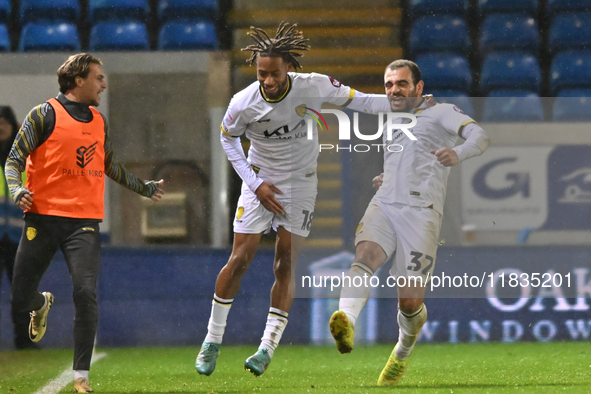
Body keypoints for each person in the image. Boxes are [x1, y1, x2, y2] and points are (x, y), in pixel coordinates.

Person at [195, 22, 393, 377]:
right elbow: (227, 139)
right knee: (240, 258)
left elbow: (360, 100)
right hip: (260, 183)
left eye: (273, 73)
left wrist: (404, 102)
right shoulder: (243, 103)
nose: (267, 81)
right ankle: (212, 340)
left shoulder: (314, 85)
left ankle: (266, 348)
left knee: (285, 262)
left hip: (301, 186)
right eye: (261, 74)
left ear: (288, 66)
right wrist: (255, 184)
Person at [6, 53, 165, 393]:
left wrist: (143, 187)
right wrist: (16, 186)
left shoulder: (98, 120)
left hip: (84, 222)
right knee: (20, 296)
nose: (104, 84)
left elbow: (109, 165)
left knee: (85, 292)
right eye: (99, 77)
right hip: (43, 217)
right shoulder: (43, 114)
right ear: (79, 81)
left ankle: (82, 376)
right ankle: (40, 304)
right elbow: (14, 158)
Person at [329, 59, 490, 386]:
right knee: (365, 256)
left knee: (410, 302)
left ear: (418, 87)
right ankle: (345, 319)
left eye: (401, 83)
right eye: (389, 84)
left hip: (422, 212)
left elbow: (481, 136)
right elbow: (409, 158)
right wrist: (390, 177)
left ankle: (403, 349)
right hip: (386, 202)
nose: (394, 90)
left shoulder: (442, 111)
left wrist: (459, 153)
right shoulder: (393, 119)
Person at [0, 105, 37, 350]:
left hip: (18, 236)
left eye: (5, 123)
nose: (1, 127)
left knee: (22, 290)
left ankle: (25, 341)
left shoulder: (23, 158)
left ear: (14, 127)